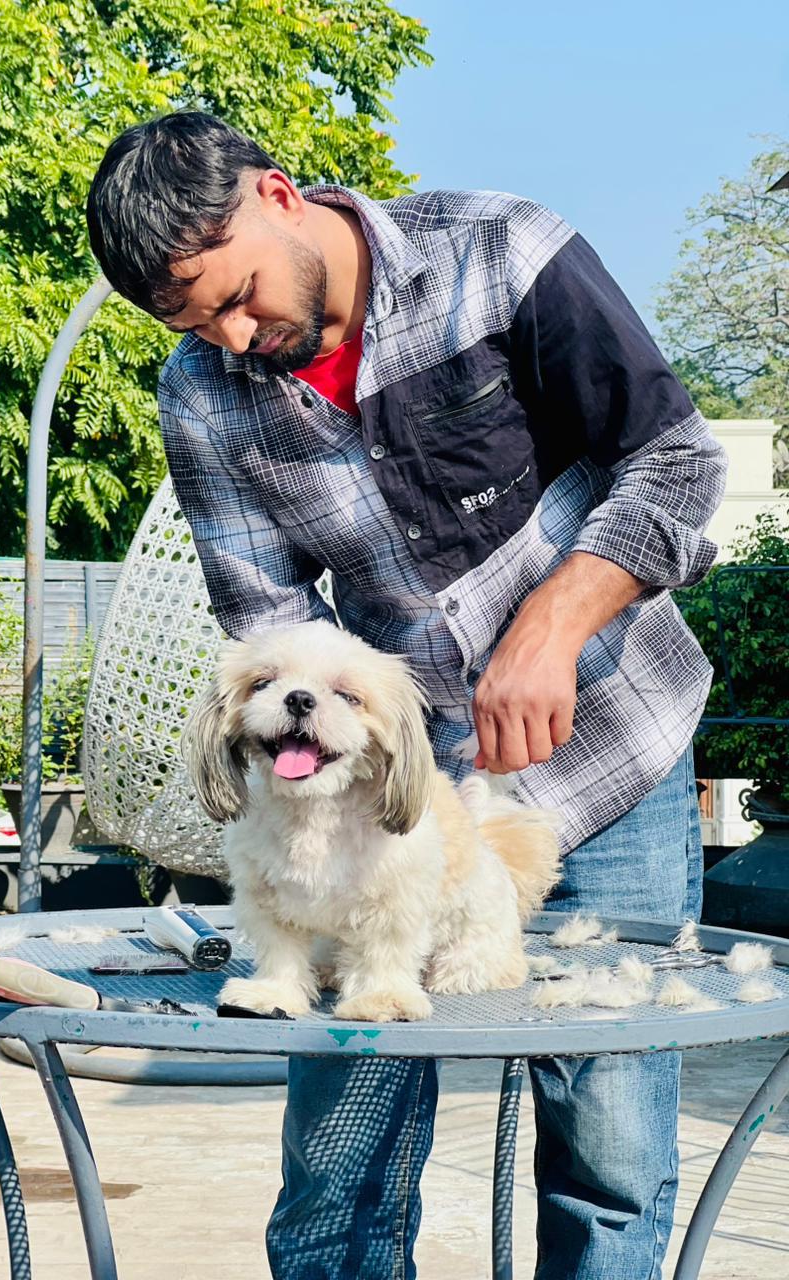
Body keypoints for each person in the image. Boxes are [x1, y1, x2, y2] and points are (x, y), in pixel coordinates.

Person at [86, 111, 727, 1280]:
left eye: (233, 295)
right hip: (389, 795)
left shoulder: (504, 254)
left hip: (612, 752)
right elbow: (263, 618)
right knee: (342, 1155)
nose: (233, 336)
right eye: (193, 322)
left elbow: (679, 461)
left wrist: (555, 617)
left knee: (612, 1151)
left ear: (278, 193)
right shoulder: (203, 393)